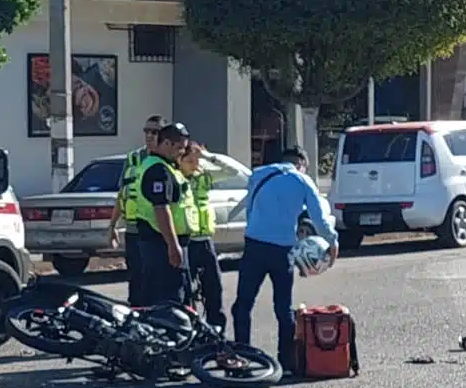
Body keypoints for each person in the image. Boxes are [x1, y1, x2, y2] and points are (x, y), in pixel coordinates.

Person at [230, 146, 336, 374]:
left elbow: (250, 209)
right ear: (302, 164)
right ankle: (286, 361)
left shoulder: (258, 174)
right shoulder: (303, 181)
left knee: (243, 304)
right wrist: (332, 243)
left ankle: (242, 356)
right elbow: (319, 218)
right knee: (283, 307)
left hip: (254, 246)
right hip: (283, 250)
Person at [126, 122, 197, 309]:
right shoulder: (158, 170)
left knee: (175, 295)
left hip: (163, 243)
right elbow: (161, 209)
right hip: (160, 244)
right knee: (169, 299)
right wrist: (173, 246)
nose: (182, 152)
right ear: (166, 143)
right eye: (179, 148)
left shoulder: (167, 167)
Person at [110, 114, 164, 305]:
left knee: (157, 281)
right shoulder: (133, 158)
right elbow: (122, 193)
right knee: (136, 279)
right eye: (146, 131)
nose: (149, 136)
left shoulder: (169, 159)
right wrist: (112, 226)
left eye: (155, 132)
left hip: (159, 230)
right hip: (134, 229)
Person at [177, 139, 225, 332]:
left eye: (197, 161)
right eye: (190, 161)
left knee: (214, 288)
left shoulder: (203, 176)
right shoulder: (175, 178)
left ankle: (216, 331)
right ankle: (188, 330)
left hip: (204, 240)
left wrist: (206, 156)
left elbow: (234, 171)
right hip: (185, 241)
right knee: (186, 290)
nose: (195, 165)